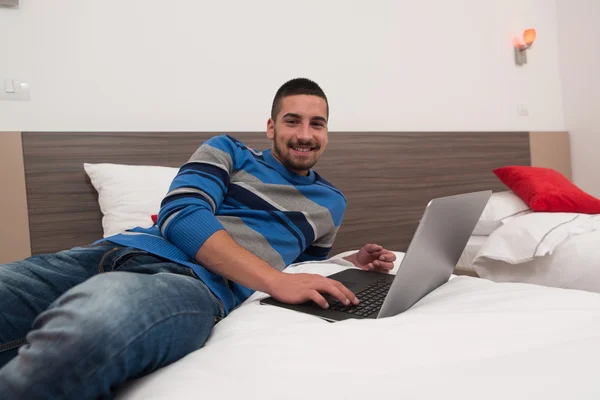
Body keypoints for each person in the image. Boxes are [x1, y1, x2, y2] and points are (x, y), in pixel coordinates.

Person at [0, 78, 396, 399]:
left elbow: (300, 267)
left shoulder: (331, 203)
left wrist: (349, 264)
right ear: (271, 126)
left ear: (327, 132)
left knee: (99, 319)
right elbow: (182, 215)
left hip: (194, 287)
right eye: (292, 121)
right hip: (113, 252)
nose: (305, 134)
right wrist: (276, 281)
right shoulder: (228, 150)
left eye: (317, 123)